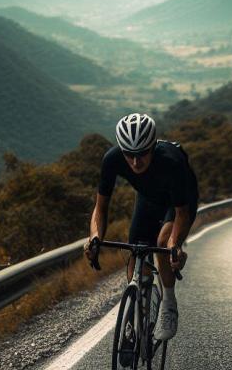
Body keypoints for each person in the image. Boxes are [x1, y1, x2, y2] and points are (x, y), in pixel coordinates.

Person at [84, 113, 199, 341]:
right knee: (135, 251)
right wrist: (95, 237)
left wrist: (174, 245)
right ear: (121, 149)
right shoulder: (112, 159)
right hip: (147, 199)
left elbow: (181, 213)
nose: (136, 162)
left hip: (178, 203)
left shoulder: (172, 161)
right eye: (129, 155)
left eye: (142, 154)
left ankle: (168, 303)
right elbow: (101, 207)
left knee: (161, 244)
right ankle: (136, 312)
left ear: (153, 146)